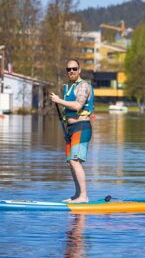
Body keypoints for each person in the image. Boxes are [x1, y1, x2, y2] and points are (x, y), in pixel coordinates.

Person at [50, 59, 94, 203]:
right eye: (68, 69)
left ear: (79, 70)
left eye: (74, 69)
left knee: (75, 161)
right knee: (71, 162)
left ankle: (83, 196)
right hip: (70, 129)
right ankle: (77, 195)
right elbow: (67, 111)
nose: (71, 71)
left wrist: (58, 100)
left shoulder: (84, 86)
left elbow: (77, 106)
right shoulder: (67, 87)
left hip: (82, 127)